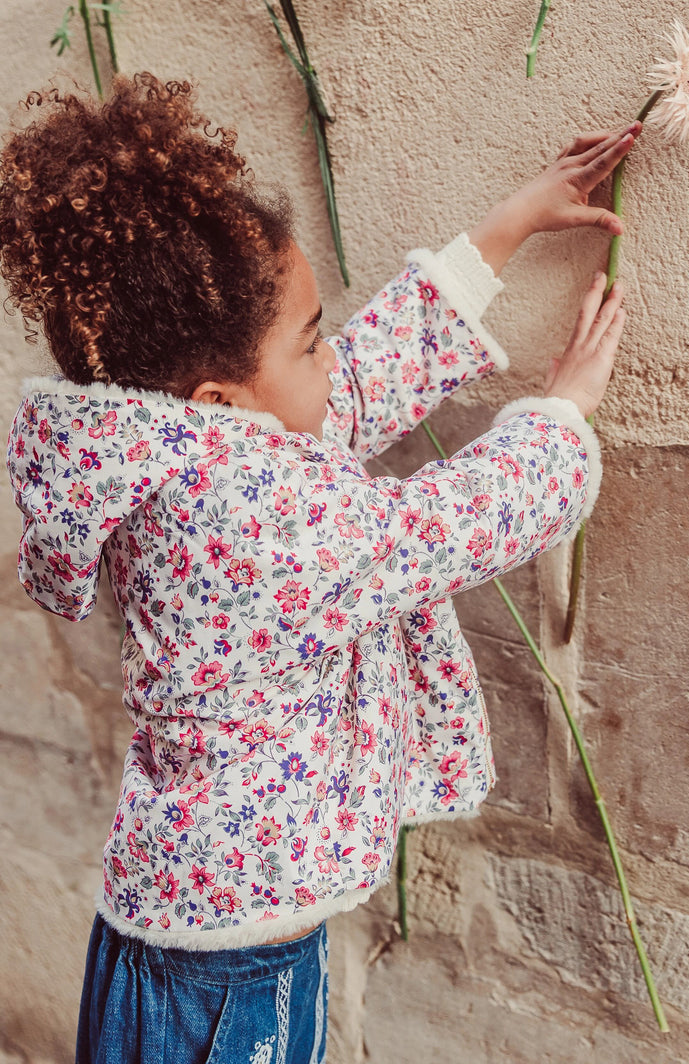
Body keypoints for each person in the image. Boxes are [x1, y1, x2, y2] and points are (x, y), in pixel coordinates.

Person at [0, 74, 637, 1064]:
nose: (331, 361)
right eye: (310, 342)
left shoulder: (172, 451)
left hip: (173, 923)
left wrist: (504, 231)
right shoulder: (264, 513)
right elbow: (442, 524)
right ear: (221, 398)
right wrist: (559, 417)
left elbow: (343, 392)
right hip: (229, 967)